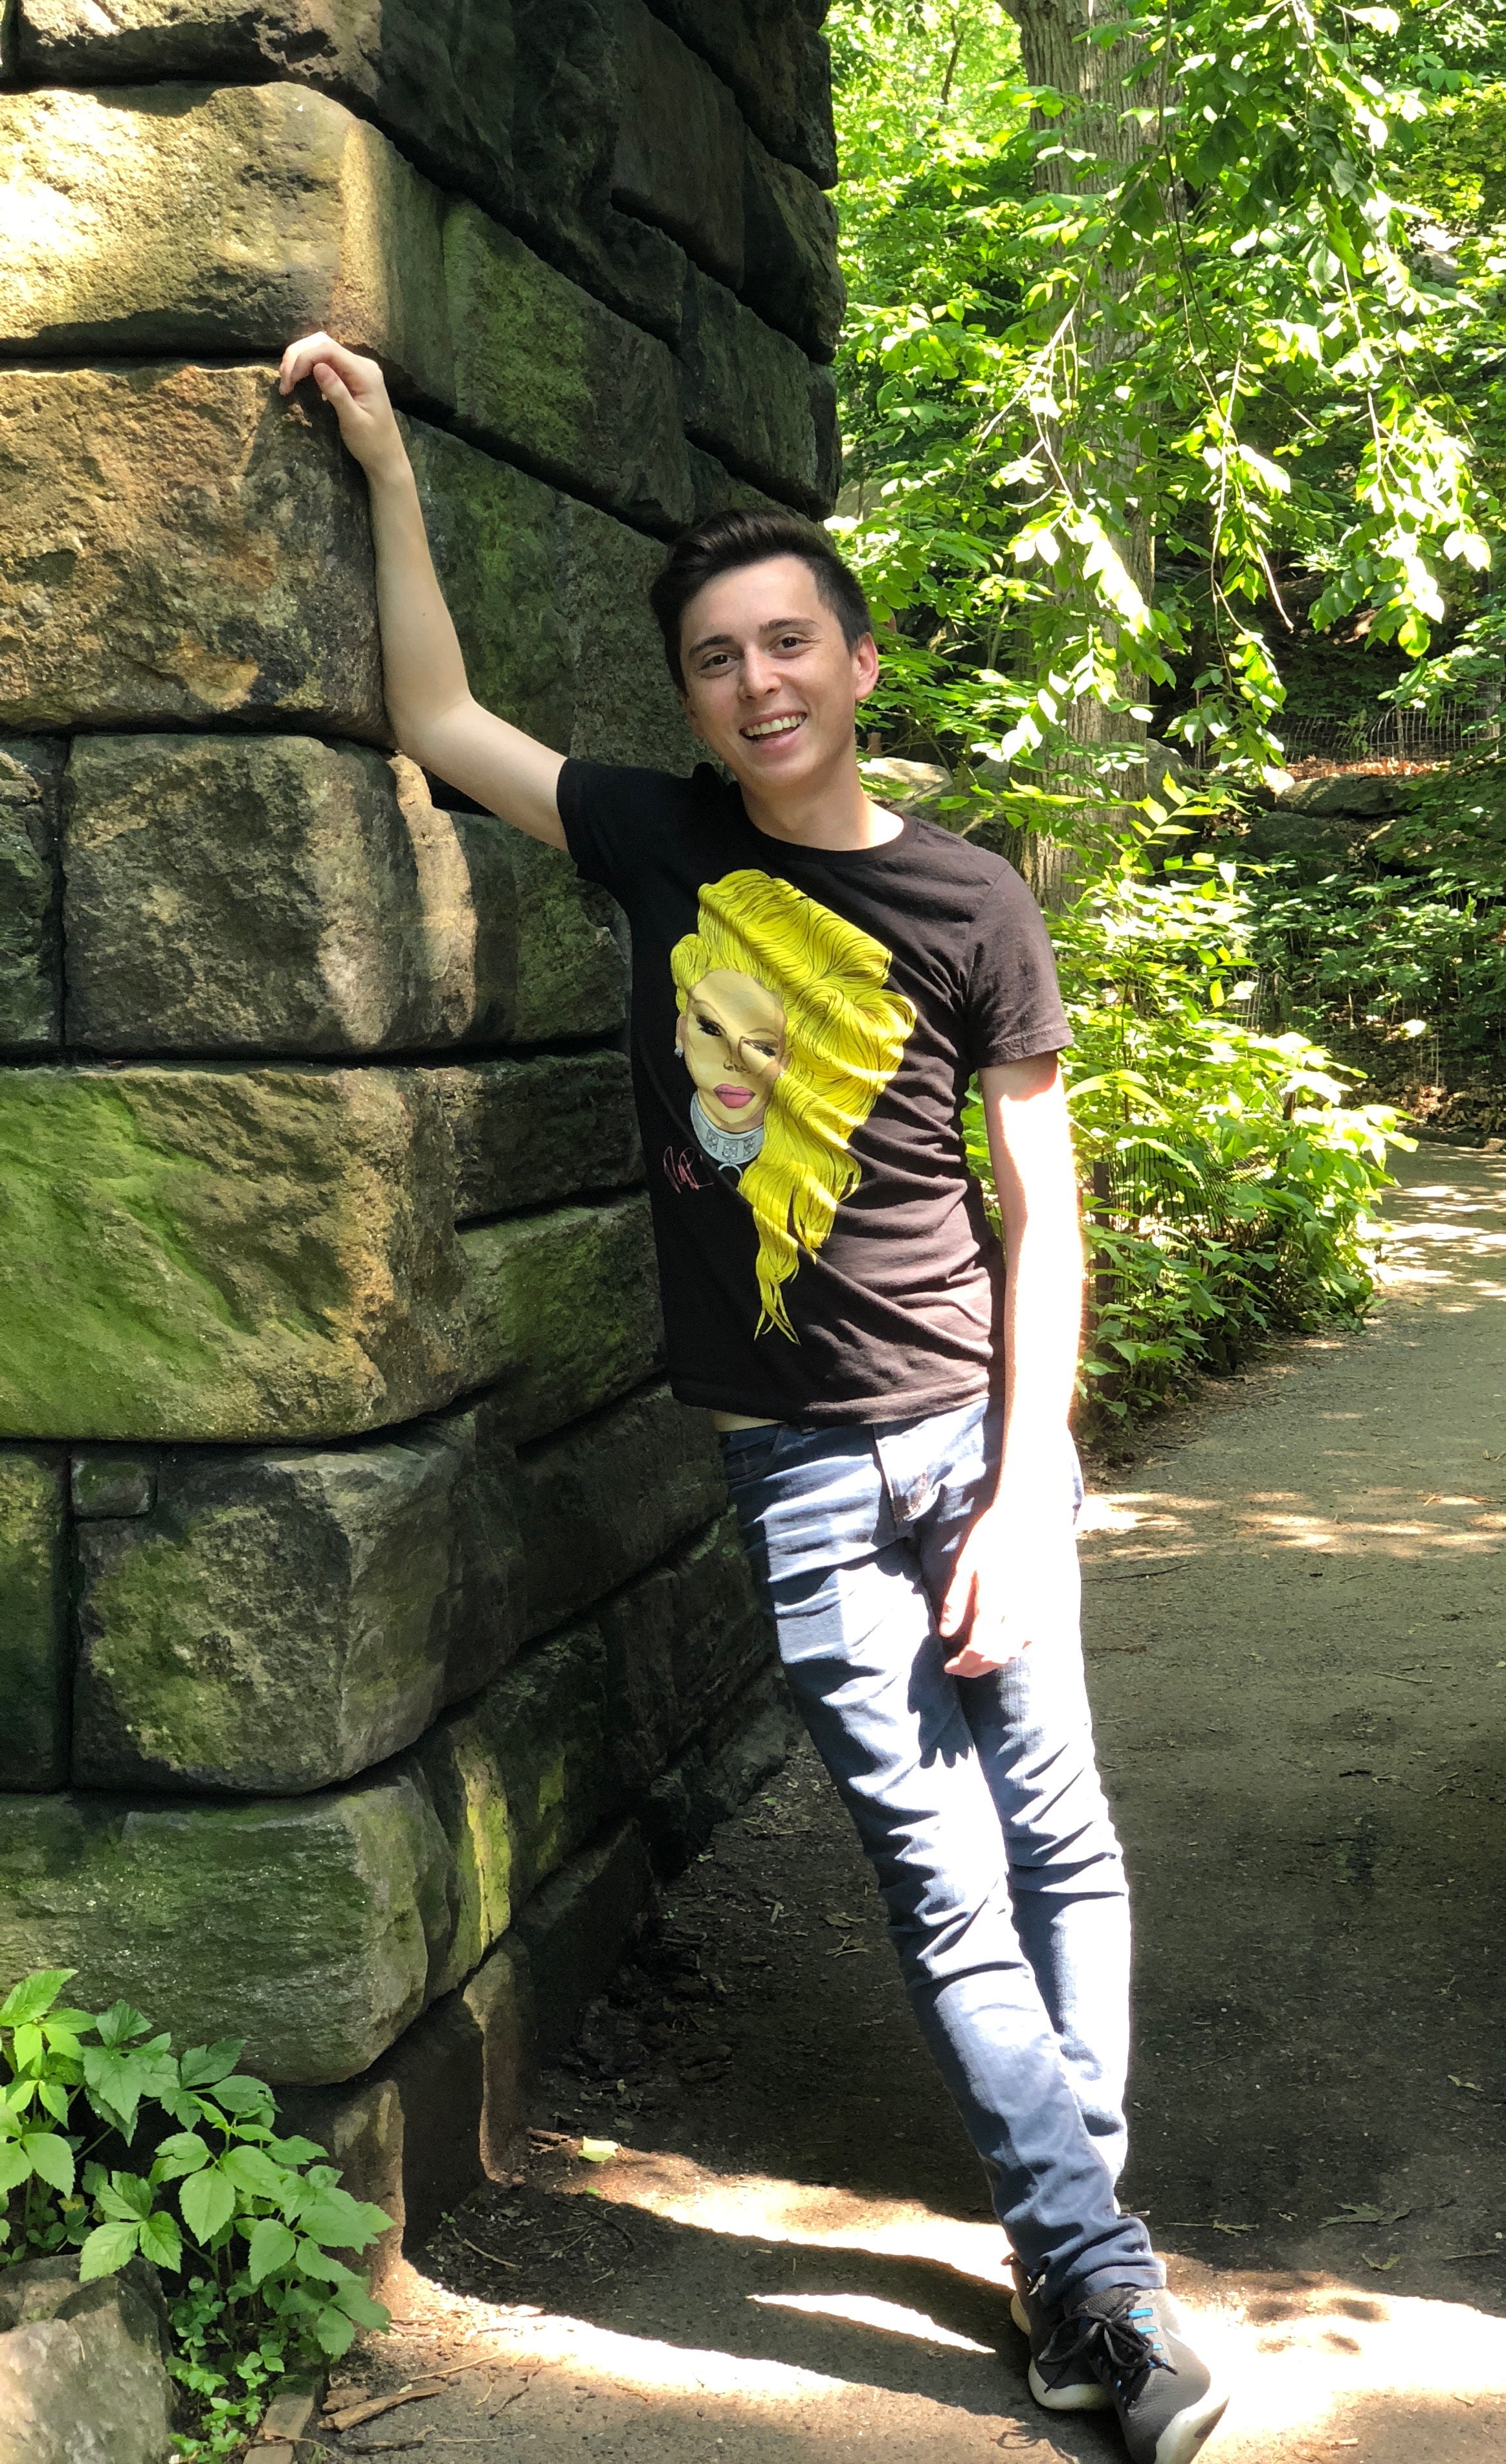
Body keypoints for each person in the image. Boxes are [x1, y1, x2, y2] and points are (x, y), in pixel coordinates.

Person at [276, 332, 1228, 2464]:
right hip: (797, 1467)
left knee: (1060, 1836)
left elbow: (1041, 1212)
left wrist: (1027, 1489)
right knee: (939, 1873)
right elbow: (439, 721)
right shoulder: (659, 842)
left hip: (973, 1437)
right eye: (716, 658)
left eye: (789, 641)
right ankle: (1096, 2275)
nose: (756, 680)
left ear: (858, 664)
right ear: (695, 699)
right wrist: (392, 474)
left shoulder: (970, 899)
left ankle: (1082, 2259)